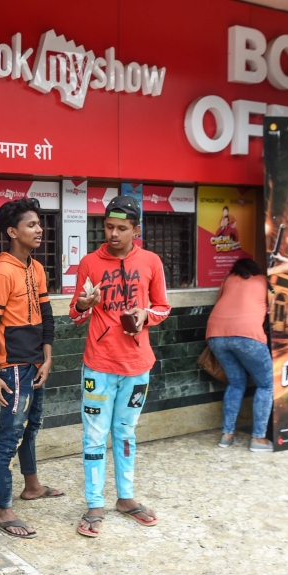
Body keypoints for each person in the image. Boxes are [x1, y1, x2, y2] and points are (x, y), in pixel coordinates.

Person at [68, 195, 171, 538]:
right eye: (108, 226)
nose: (112, 233)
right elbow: (76, 314)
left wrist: (145, 315)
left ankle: (125, 498)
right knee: (95, 436)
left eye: (121, 228)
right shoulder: (89, 262)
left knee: (125, 434)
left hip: (138, 365)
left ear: (135, 230)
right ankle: (94, 503)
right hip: (98, 365)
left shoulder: (152, 262)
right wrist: (84, 303)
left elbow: (163, 307)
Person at [0, 198, 64, 538]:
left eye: (39, 224)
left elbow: (46, 318)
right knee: (10, 435)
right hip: (12, 367)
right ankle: (3, 509)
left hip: (35, 363)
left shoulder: (37, 268)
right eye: (31, 225)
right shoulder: (2, 271)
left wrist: (48, 357)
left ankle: (32, 486)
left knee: (32, 426)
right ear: (13, 232)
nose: (39, 229)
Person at [206, 258, 274, 453]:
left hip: (215, 336)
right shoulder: (263, 281)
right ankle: (258, 438)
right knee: (266, 384)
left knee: (236, 383)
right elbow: (274, 308)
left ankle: (227, 436)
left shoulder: (228, 279)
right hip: (247, 336)